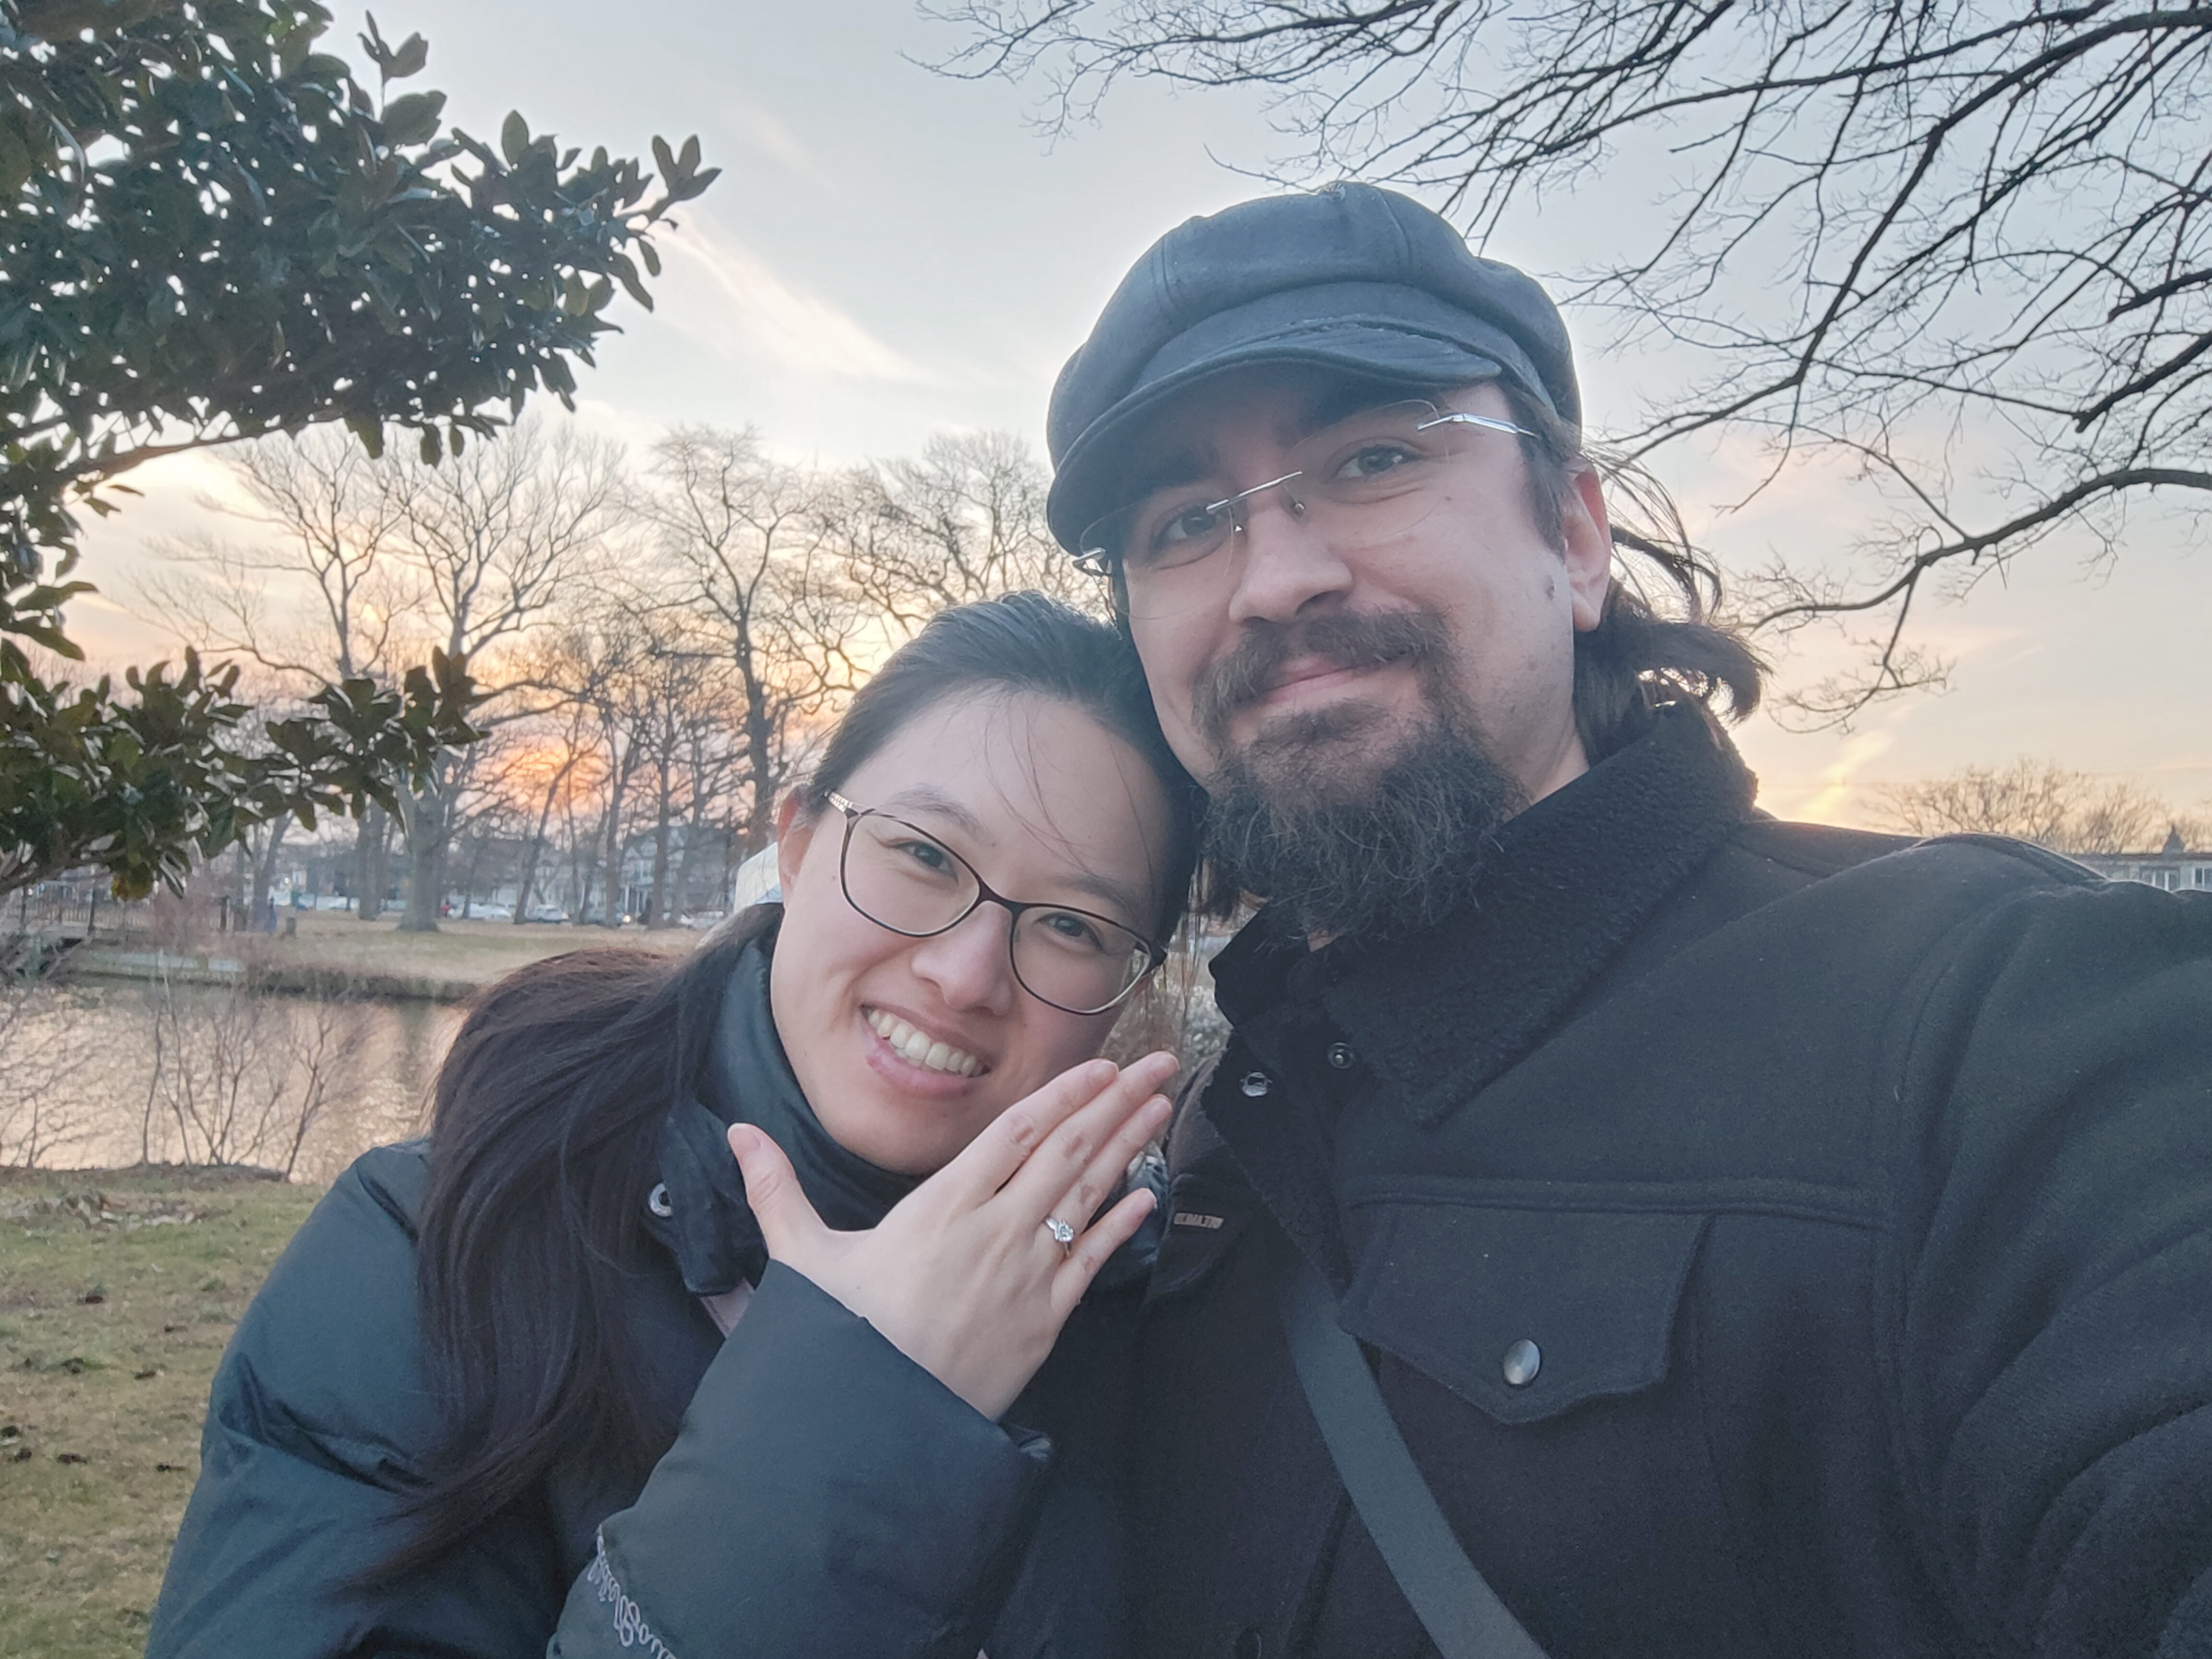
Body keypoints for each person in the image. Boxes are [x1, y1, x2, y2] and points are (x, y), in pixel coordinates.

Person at [1040, 183, 2212, 1657]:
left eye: (1376, 456)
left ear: (1578, 537)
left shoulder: (2002, 1035)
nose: (1274, 578)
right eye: (1184, 522)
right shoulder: (1190, 1145)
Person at [144, 592, 1202, 1659]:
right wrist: (862, 1419)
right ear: (796, 845)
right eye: (924, 857)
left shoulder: (1165, 1318)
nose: (963, 974)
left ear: (1129, 991)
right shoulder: (445, 1251)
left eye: (1072, 925)